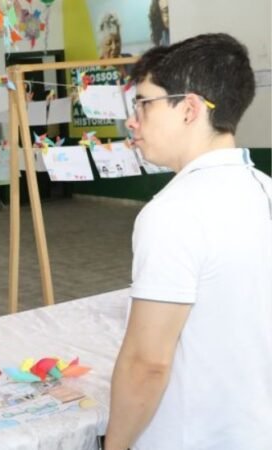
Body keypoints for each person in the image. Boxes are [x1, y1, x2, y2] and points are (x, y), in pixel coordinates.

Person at [106, 34, 272, 450]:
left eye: (143, 103)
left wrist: (114, 445)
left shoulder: (172, 213)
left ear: (190, 109)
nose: (133, 120)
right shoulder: (264, 189)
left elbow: (147, 363)